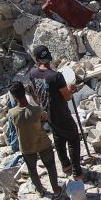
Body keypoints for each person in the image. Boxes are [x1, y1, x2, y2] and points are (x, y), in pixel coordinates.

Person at [27, 45, 82, 179]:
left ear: (36, 59)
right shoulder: (56, 76)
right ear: (49, 57)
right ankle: (77, 172)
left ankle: (65, 165)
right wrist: (71, 89)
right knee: (73, 139)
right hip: (61, 113)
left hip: (48, 113)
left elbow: (36, 93)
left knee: (58, 137)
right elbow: (67, 97)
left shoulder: (32, 74)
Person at [7, 82, 62, 196]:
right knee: (50, 166)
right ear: (25, 92)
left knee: (32, 170)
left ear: (14, 97)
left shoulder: (12, 113)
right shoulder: (37, 110)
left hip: (26, 146)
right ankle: (56, 190)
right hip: (42, 142)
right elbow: (45, 117)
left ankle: (40, 190)